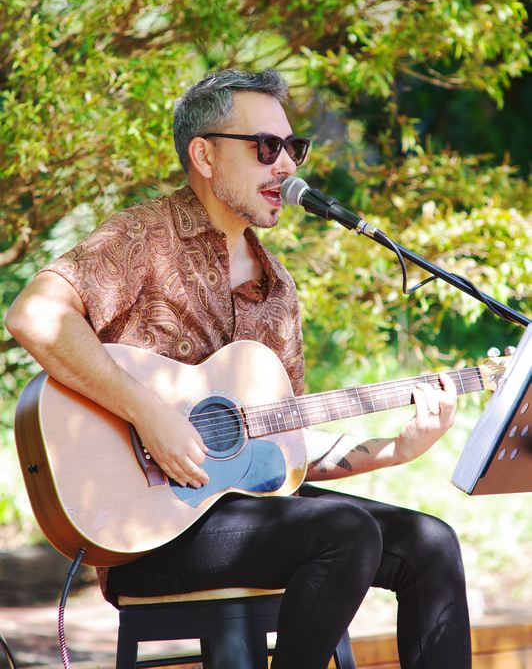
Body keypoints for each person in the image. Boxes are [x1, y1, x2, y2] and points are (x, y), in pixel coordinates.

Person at [6, 69, 471, 669]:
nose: (286, 166)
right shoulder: (142, 237)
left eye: (293, 148)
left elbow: (287, 446)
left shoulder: (277, 289)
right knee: (344, 530)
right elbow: (34, 316)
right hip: (145, 531)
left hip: (252, 511)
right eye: (265, 148)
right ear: (204, 154)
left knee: (432, 542)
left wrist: (395, 449)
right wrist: (148, 413)